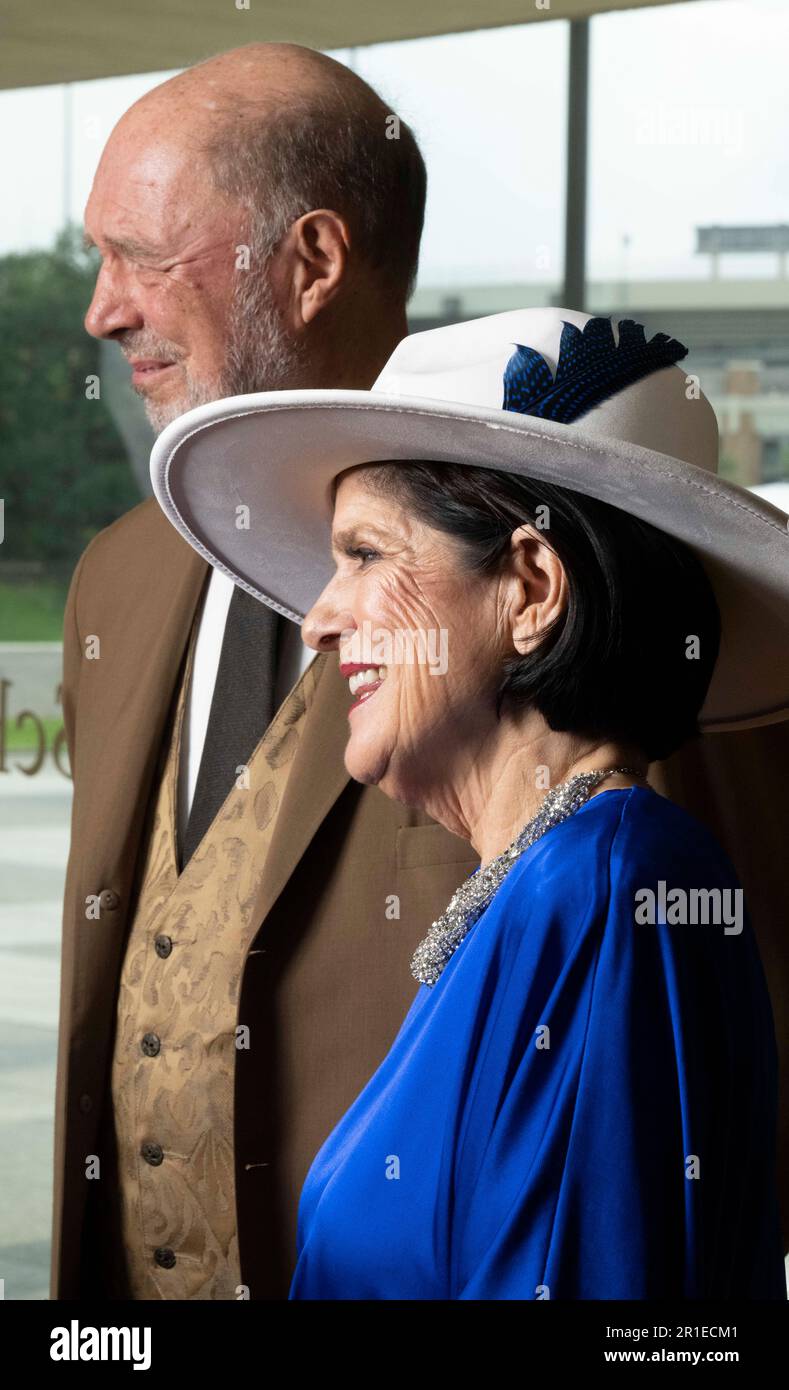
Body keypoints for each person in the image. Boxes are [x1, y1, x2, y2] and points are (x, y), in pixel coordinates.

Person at [151, 308, 789, 1298]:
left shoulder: (610, 888)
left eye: (365, 555)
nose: (318, 620)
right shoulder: (557, 883)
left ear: (530, 586)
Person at [53, 42, 483, 1303]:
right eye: (97, 256)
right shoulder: (116, 580)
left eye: (139, 253)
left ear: (310, 265)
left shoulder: (542, 580)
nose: (102, 307)